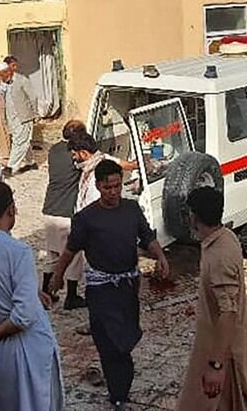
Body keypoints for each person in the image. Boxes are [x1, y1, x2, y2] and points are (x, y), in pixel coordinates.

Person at [48, 160, 169, 410]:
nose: (113, 192)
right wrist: (58, 276)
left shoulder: (132, 209)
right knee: (109, 342)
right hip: (100, 289)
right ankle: (118, 393)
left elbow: (147, 237)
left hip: (127, 286)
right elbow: (70, 250)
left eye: (117, 186)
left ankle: (119, 381)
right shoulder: (86, 218)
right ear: (98, 186)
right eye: (108, 187)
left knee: (126, 337)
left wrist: (161, 257)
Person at [0, 182, 63, 411]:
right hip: (26, 351)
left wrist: (31, 292)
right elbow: (22, 318)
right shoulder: (19, 252)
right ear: (11, 210)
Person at [176, 187, 247, 411]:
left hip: (222, 348)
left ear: (194, 216)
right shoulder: (226, 237)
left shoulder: (219, 255)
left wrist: (216, 365)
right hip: (221, 344)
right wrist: (202, 306)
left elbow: (228, 311)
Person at [42, 120, 87, 310]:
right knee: (73, 255)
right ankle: (72, 296)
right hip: (66, 212)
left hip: (50, 208)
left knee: (52, 254)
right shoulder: (74, 156)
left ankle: (46, 294)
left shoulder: (54, 150)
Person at [0, 61, 38, 177]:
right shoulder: (4, 83)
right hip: (12, 118)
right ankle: (31, 162)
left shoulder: (21, 80)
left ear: (8, 72)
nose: (1, 76)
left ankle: (11, 167)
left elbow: (33, 97)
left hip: (24, 117)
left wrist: (34, 114)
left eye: (2, 74)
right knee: (22, 140)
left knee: (19, 142)